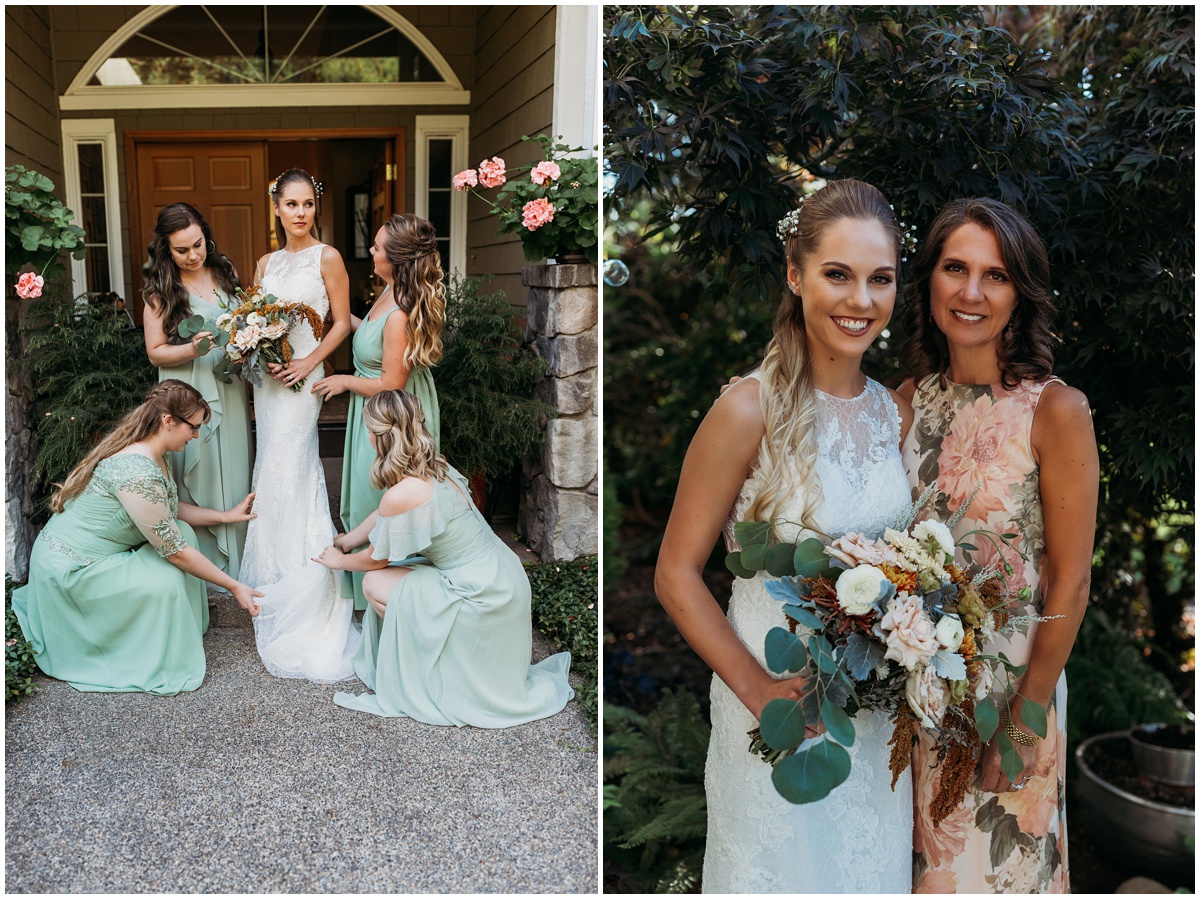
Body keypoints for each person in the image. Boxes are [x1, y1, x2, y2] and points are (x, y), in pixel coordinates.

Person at [655, 179, 916, 893]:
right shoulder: (748, 408)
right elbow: (675, 573)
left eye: (879, 279)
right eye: (838, 274)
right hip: (772, 714)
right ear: (796, 274)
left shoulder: (893, 413)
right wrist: (760, 690)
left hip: (872, 733)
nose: (860, 300)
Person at [898, 199, 1097, 894]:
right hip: (917, 697)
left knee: (1001, 875)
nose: (972, 291)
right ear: (930, 280)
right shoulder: (904, 402)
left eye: (997, 274)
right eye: (956, 267)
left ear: (1021, 294)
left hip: (1017, 688)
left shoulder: (1056, 410)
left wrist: (1026, 715)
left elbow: (1071, 581)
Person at [313, 390, 573, 727]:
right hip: (501, 576)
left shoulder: (402, 492)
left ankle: (439, 666)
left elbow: (374, 561)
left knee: (376, 583)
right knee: (400, 578)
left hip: (480, 593)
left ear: (378, 436)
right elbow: (384, 515)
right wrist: (347, 539)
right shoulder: (436, 465)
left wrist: (338, 561)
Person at [11, 380, 262, 695]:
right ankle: (132, 647)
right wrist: (234, 585)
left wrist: (224, 516)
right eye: (193, 428)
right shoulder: (137, 471)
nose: (196, 436)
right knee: (167, 584)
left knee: (182, 532)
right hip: (72, 570)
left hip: (95, 555)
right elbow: (176, 552)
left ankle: (173, 630)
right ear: (168, 421)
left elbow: (166, 509)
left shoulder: (154, 452)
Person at [240, 167, 359, 683]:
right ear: (276, 207)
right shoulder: (265, 263)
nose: (301, 213)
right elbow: (255, 319)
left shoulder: (327, 257)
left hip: (303, 381)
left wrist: (311, 364)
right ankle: (271, 578)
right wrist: (255, 350)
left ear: (316, 206)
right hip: (269, 384)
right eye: (292, 204)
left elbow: (340, 322)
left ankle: (304, 581)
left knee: (294, 466)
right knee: (269, 467)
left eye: (308, 204)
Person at [311, 213, 445, 610]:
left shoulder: (402, 311)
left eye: (377, 247)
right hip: (373, 411)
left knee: (382, 502)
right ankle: (367, 594)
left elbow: (392, 383)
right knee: (368, 497)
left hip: (391, 418)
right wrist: (334, 318)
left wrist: (345, 382)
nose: (370, 250)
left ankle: (388, 596)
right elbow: (371, 332)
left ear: (396, 259)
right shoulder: (387, 291)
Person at [142, 202, 252, 582]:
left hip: (229, 389)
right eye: (182, 250)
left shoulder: (226, 274)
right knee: (198, 471)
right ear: (166, 250)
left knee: (237, 470)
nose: (193, 255)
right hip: (187, 393)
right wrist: (192, 349)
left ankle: (238, 565)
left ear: (206, 236)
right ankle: (203, 569)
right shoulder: (161, 292)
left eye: (198, 245)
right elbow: (155, 351)